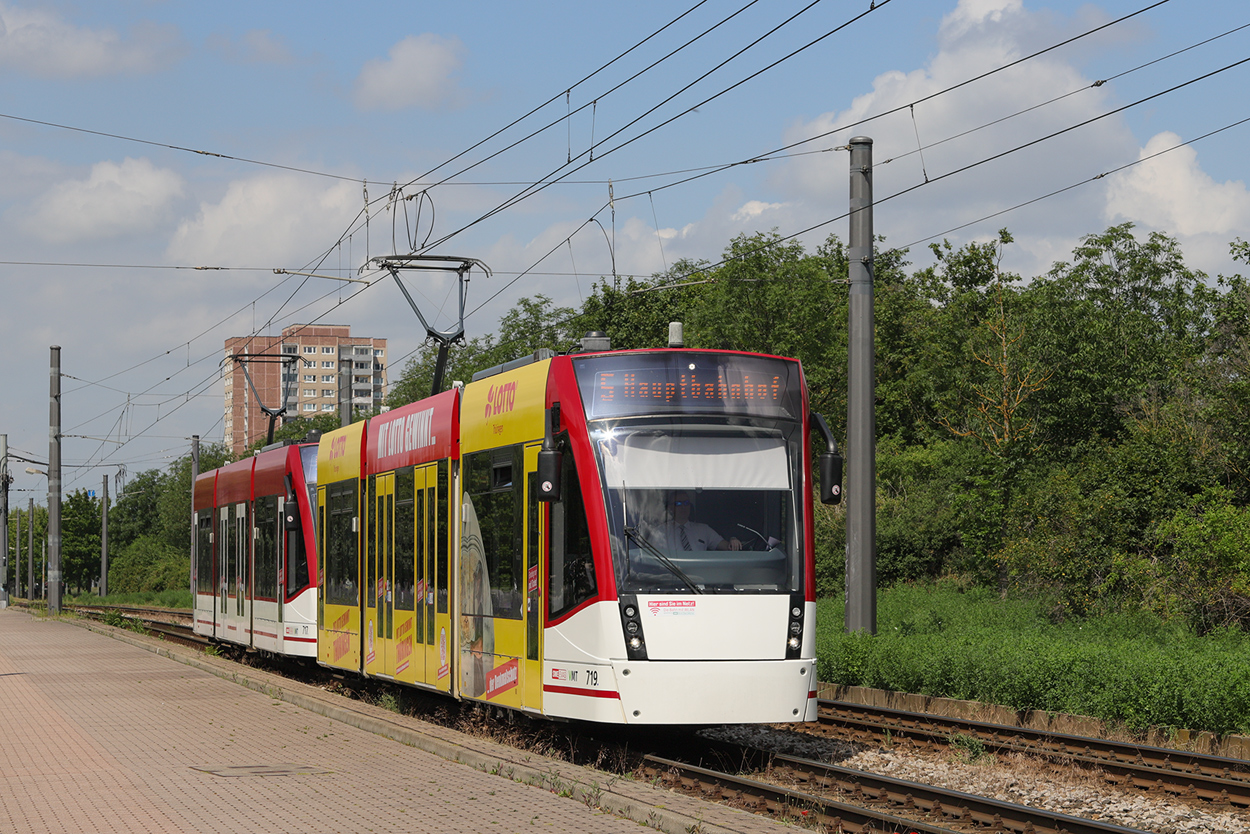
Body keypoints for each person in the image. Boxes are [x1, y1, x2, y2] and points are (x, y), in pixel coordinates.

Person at [648, 490, 741, 552]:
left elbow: (727, 546)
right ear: (670, 508)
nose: (683, 507)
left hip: (698, 579)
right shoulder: (659, 532)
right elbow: (651, 559)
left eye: (686, 503)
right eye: (679, 503)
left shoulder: (703, 529)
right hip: (670, 578)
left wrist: (733, 540)